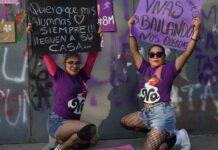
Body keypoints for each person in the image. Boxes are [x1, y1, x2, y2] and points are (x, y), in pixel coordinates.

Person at [120, 17, 201, 150]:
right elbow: (134, 51)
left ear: (164, 57)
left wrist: (196, 32)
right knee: (124, 122)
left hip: (162, 114)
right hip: (146, 114)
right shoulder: (144, 68)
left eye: (159, 54)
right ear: (148, 57)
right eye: (152, 54)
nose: (155, 56)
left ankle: (170, 134)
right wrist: (131, 28)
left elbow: (186, 53)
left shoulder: (169, 69)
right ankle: (171, 137)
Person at [27, 23, 103, 150]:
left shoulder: (82, 76)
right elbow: (45, 53)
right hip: (57, 123)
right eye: (71, 63)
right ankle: (60, 148)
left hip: (71, 124)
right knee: (88, 130)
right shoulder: (59, 75)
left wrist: (98, 38)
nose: (74, 66)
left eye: (77, 63)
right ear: (64, 63)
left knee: (90, 139)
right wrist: (33, 35)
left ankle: (61, 142)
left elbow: (92, 57)